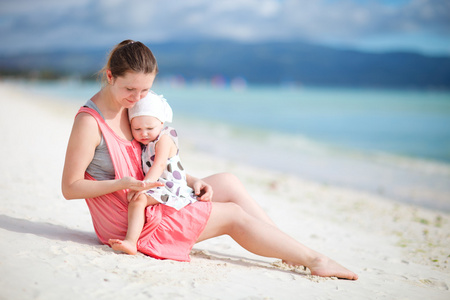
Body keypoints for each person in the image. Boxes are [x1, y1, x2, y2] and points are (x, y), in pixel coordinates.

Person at [61, 39, 358, 280]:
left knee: (227, 181)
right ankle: (315, 260)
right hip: (131, 223)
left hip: (151, 197)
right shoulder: (90, 123)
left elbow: (153, 160)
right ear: (110, 76)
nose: (138, 98)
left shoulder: (132, 108)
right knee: (231, 215)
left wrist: (191, 180)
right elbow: (70, 187)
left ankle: (283, 246)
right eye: (130, 89)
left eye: (145, 90)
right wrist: (121, 183)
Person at [108, 91, 207, 255]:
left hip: (171, 186)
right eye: (137, 128)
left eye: (149, 128)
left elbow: (160, 165)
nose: (144, 133)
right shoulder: (146, 142)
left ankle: (131, 242)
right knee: (137, 201)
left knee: (138, 200)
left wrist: (142, 187)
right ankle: (131, 241)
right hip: (158, 184)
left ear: (161, 123)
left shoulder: (164, 138)